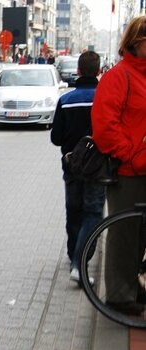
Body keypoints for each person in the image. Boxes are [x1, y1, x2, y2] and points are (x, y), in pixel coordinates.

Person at [91, 16, 146, 315]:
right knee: (126, 233)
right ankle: (120, 295)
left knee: (141, 235)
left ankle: (134, 285)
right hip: (128, 172)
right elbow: (104, 128)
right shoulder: (119, 76)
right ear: (137, 43)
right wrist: (132, 155)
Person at [51, 51, 104, 287]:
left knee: (73, 209)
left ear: (79, 71)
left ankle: (74, 255)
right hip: (98, 167)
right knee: (92, 212)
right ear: (99, 71)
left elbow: (56, 137)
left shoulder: (66, 100)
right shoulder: (105, 98)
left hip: (71, 164)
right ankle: (80, 263)